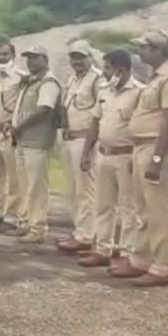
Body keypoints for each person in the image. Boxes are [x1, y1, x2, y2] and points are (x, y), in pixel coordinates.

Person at [111, 30, 168, 287]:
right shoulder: (156, 77)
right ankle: (141, 259)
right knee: (143, 207)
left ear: (157, 50)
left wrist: (157, 159)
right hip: (141, 146)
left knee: (159, 210)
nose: (139, 52)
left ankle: (162, 267)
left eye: (143, 47)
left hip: (156, 147)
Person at [77, 50, 142, 268]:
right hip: (104, 154)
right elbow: (95, 122)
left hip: (126, 156)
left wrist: (138, 155)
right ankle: (103, 249)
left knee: (129, 207)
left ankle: (126, 254)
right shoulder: (105, 90)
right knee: (103, 205)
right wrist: (86, 152)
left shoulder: (139, 92)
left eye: (107, 68)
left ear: (120, 69)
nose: (104, 73)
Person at [11, 45, 62, 244]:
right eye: (28, 58)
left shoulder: (48, 82)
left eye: (35, 57)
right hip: (24, 140)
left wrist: (20, 126)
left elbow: (44, 109)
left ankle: (38, 227)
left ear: (45, 59)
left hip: (37, 141)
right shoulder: (31, 82)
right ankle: (26, 222)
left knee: (36, 187)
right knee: (25, 185)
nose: (30, 61)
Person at [58, 40, 104, 253]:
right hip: (70, 138)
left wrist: (91, 144)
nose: (76, 61)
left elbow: (99, 114)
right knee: (74, 189)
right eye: (73, 57)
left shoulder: (98, 79)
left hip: (87, 140)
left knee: (86, 189)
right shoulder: (72, 79)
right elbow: (66, 107)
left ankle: (87, 235)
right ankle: (79, 230)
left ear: (90, 57)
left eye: (80, 56)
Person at [0, 42, 26, 231]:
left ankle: (13, 216)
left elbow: (24, 106)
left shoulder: (22, 78)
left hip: (9, 133)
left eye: (4, 54)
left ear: (13, 55)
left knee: (14, 176)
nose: (1, 58)